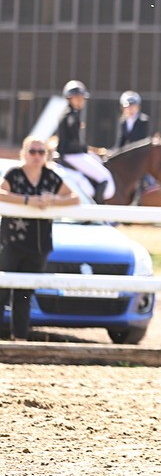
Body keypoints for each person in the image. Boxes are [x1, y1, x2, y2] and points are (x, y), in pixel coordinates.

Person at [0, 136, 80, 340]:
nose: (36, 156)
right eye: (32, 151)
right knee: (1, 292)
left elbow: (74, 198)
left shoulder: (51, 177)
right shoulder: (14, 174)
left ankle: (20, 339)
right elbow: (1, 192)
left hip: (38, 244)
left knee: (24, 295)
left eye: (41, 152)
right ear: (24, 153)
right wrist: (28, 201)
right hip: (11, 242)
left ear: (46, 155)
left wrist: (54, 200)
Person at [52, 80, 114, 202]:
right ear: (69, 98)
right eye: (77, 98)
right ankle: (98, 211)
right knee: (104, 177)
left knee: (97, 160)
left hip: (74, 153)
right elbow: (75, 143)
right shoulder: (71, 116)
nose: (81, 101)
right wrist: (91, 150)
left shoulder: (72, 114)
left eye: (82, 98)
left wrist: (92, 151)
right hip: (72, 155)